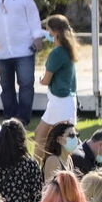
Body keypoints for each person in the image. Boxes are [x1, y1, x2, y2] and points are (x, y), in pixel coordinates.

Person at [32, 15, 79, 160]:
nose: (47, 34)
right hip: (65, 101)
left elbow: (46, 80)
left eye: (48, 31)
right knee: (47, 136)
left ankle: (37, 167)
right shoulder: (68, 49)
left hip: (59, 102)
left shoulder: (56, 53)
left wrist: (41, 80)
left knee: (48, 138)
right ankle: (41, 167)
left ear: (55, 32)